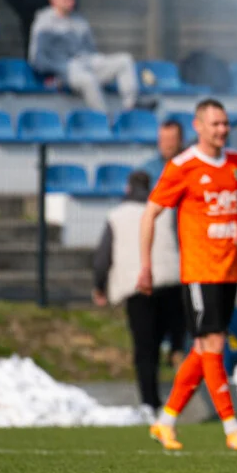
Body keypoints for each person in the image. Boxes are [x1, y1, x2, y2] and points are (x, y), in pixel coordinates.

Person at [143, 98, 237, 451]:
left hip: (229, 269)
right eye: (215, 124)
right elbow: (151, 212)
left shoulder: (236, 162)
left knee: (202, 349)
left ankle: (165, 422)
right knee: (214, 345)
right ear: (198, 126)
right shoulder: (183, 166)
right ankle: (232, 426)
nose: (222, 130)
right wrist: (145, 264)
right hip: (199, 270)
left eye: (225, 123)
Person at [92, 170, 185, 414]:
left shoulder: (116, 216)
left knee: (145, 348)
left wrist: (99, 287)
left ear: (127, 188)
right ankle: (176, 358)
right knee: (178, 340)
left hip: (138, 287)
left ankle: (150, 403)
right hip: (172, 282)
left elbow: (103, 257)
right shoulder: (166, 211)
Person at [29, 0, 139, 111]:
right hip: (64, 71)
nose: (71, 2)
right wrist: (55, 72)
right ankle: (103, 120)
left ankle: (131, 107)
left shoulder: (79, 21)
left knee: (124, 60)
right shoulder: (43, 24)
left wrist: (99, 63)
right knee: (88, 80)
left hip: (87, 64)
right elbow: (36, 59)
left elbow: (91, 51)